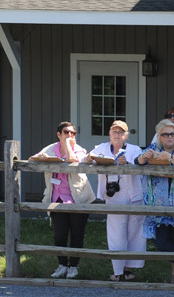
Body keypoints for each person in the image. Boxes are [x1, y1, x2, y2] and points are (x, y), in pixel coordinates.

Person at [31, 121, 95, 279]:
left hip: (77, 197)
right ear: (58, 134)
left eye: (73, 133)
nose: (70, 135)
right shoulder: (51, 148)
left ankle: (74, 266)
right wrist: (42, 157)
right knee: (59, 234)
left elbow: (72, 160)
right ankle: (62, 264)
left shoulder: (78, 149)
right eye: (66, 132)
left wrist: (67, 145)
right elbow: (32, 159)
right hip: (56, 198)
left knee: (77, 234)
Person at [136, 119, 174, 284]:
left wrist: (168, 157)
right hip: (158, 204)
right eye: (166, 134)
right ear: (159, 137)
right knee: (160, 241)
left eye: (173, 134)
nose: (170, 137)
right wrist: (144, 157)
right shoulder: (153, 149)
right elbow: (137, 162)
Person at [88, 120, 145, 281]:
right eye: (114, 131)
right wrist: (90, 158)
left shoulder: (134, 149)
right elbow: (88, 158)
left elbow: (141, 163)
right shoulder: (102, 147)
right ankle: (118, 271)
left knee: (134, 233)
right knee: (117, 233)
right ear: (109, 133)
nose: (117, 135)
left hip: (134, 195)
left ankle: (128, 269)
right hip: (114, 196)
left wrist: (126, 163)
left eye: (121, 132)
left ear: (126, 135)